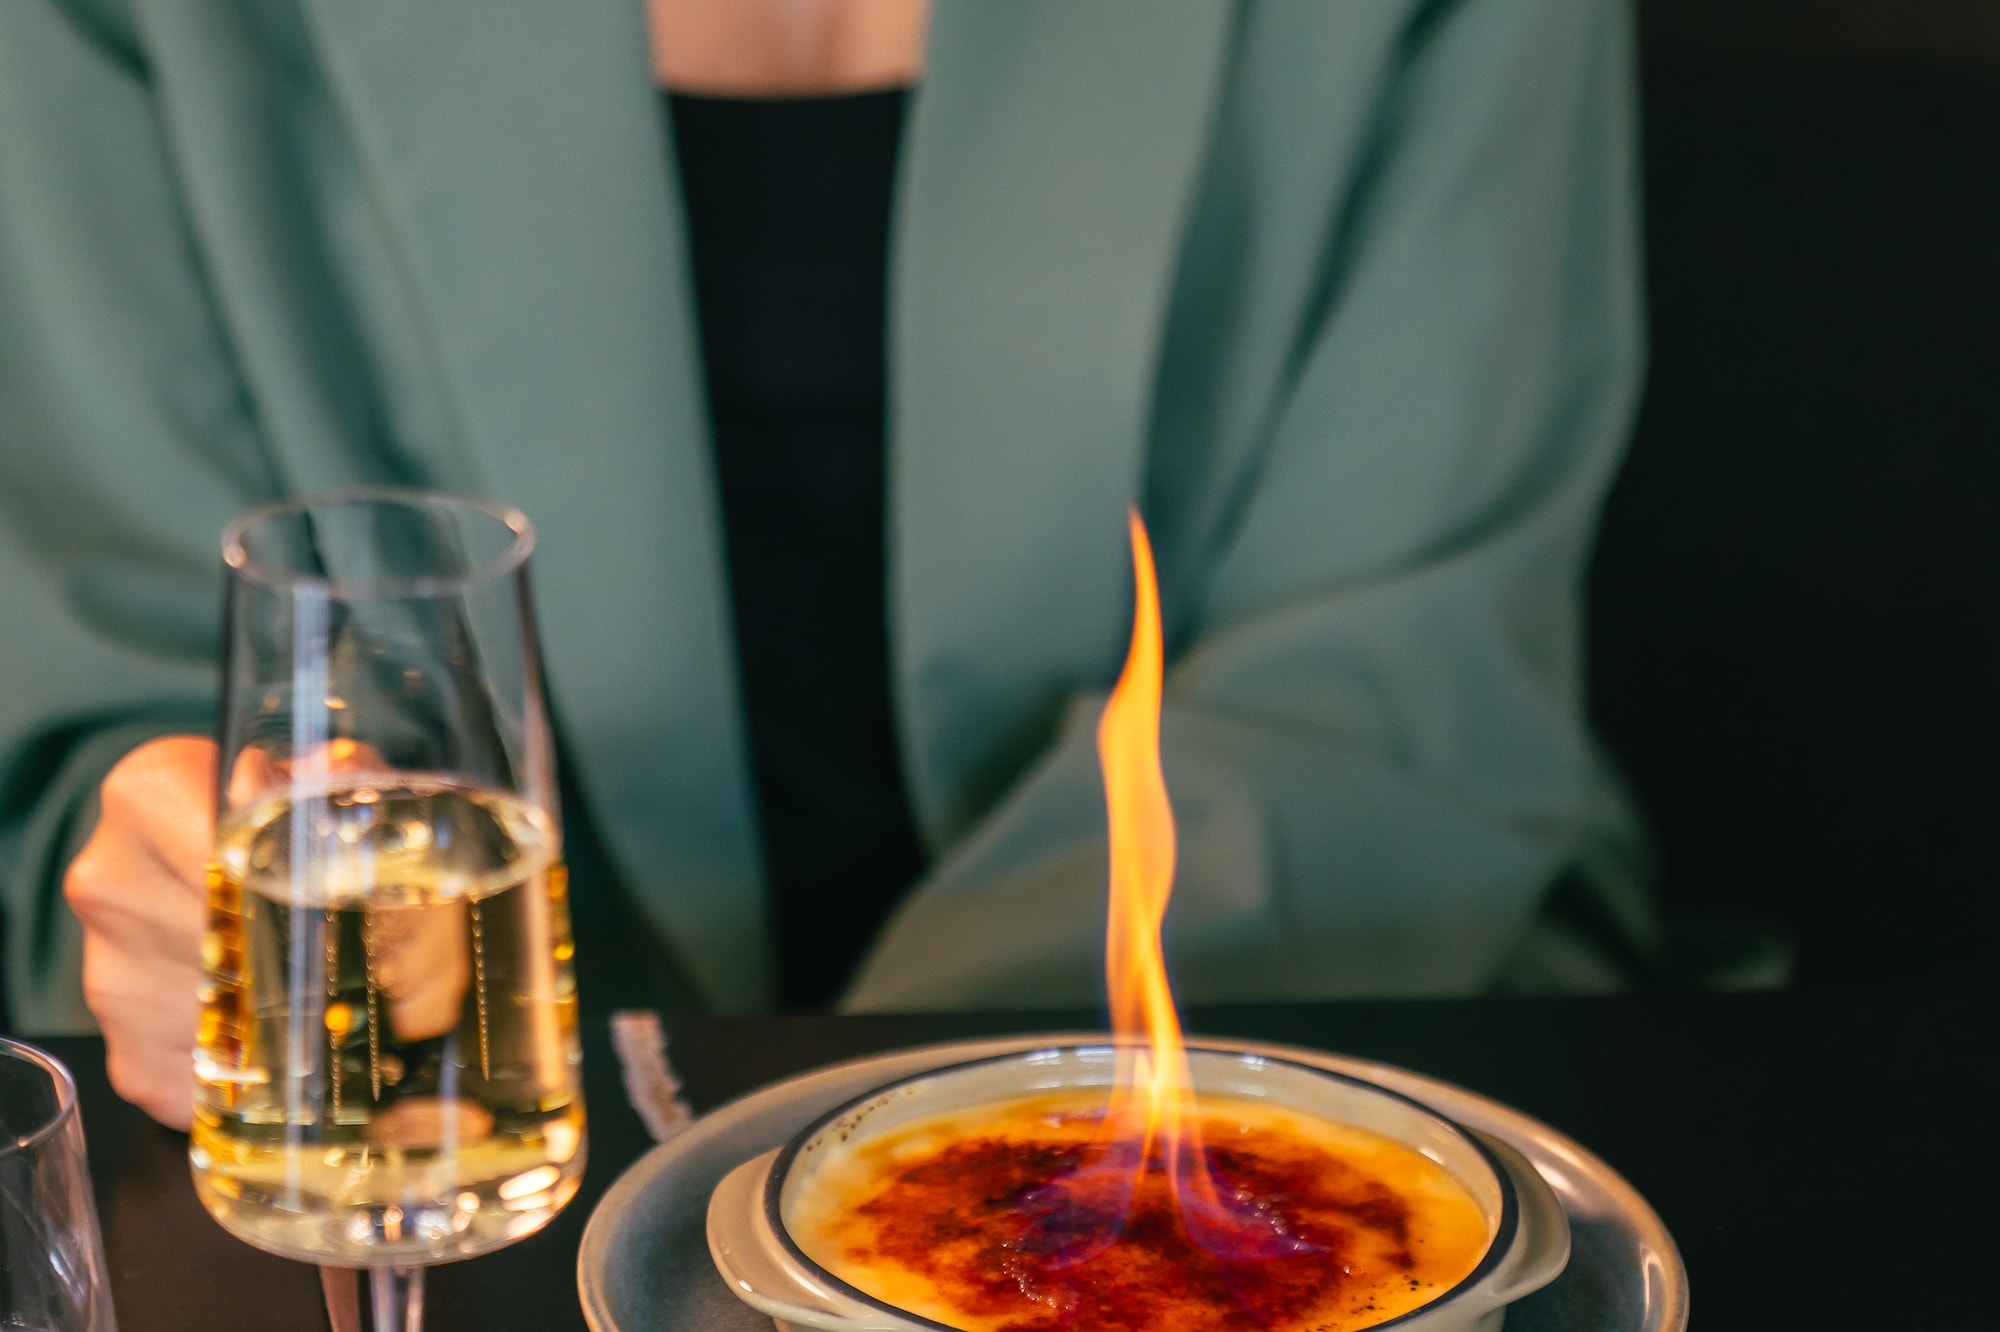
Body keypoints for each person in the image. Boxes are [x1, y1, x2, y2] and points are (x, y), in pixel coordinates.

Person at [0, 0, 1654, 1129]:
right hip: (457, 1134)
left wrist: (813, 1174)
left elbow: (1392, 684)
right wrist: (173, 885)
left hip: (1290, 1059)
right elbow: (121, 701)